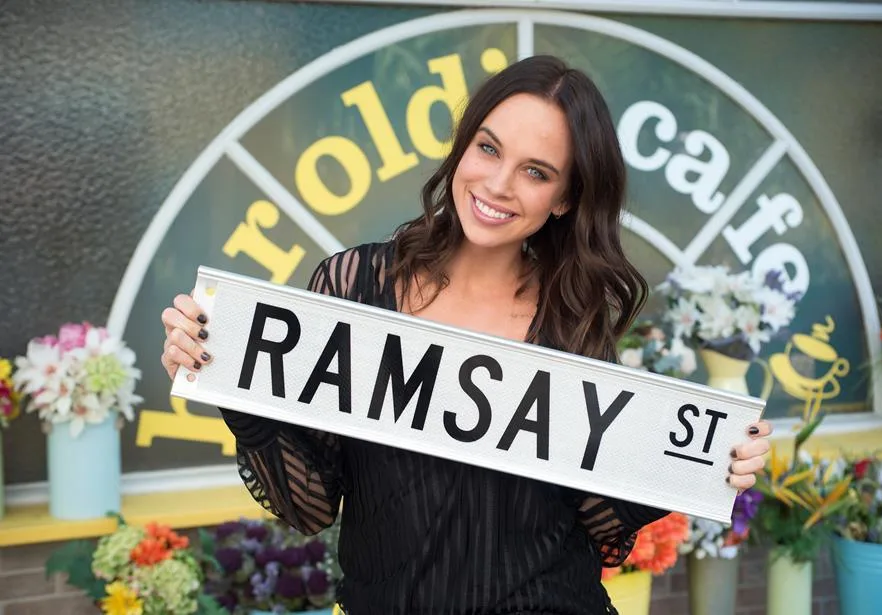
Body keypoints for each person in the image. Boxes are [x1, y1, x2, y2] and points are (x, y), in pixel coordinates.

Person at [160, 55, 770, 614]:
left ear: (564, 200)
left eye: (536, 172)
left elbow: (591, 516)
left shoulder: (570, 316)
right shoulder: (354, 285)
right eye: (488, 148)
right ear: (463, 145)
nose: (499, 184)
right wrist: (230, 378)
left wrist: (701, 465)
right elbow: (311, 505)